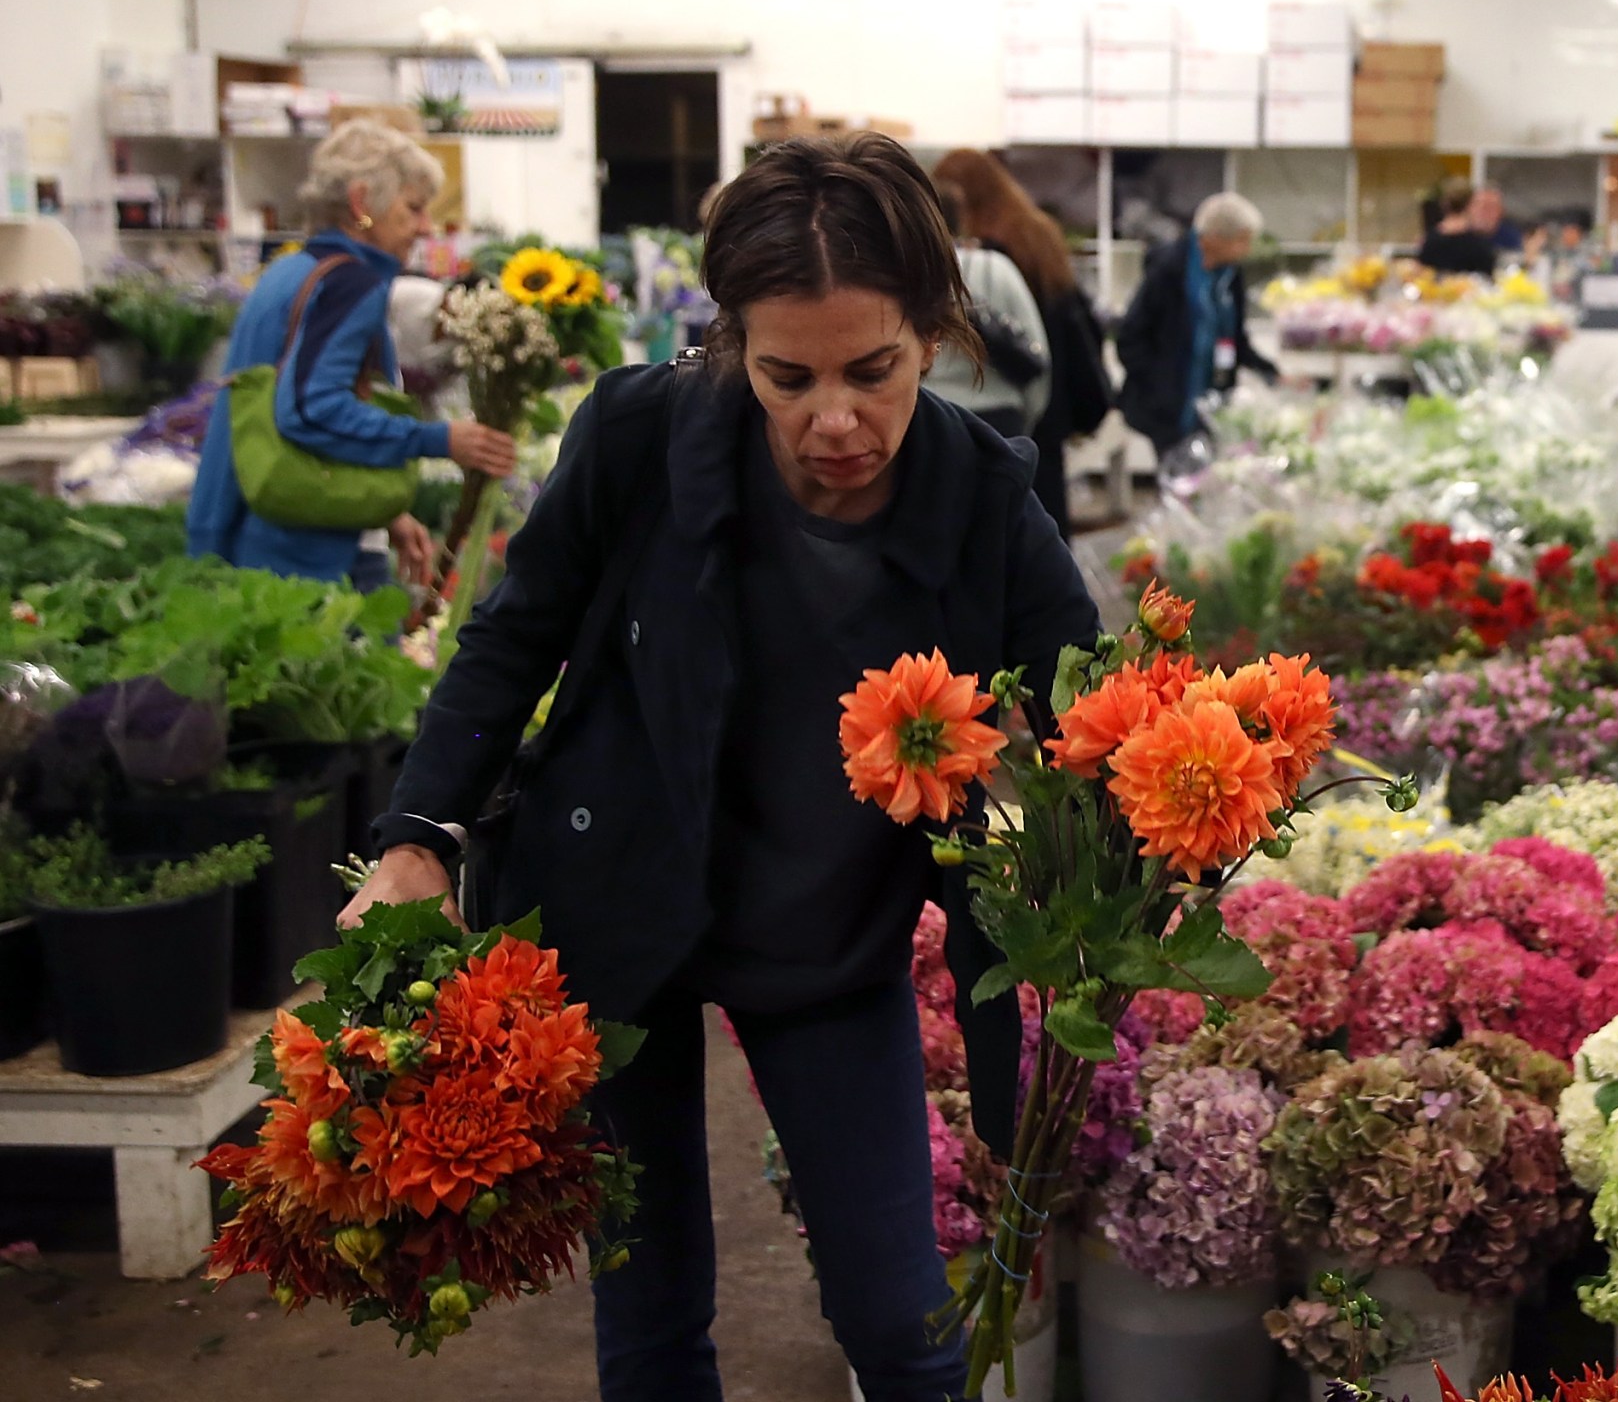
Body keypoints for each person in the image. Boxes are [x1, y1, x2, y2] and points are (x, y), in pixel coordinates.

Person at [343, 132, 1101, 1402]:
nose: (834, 420)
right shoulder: (643, 440)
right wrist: (417, 837)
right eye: (785, 377)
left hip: (828, 932)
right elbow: (510, 640)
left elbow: (1090, 709)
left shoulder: (981, 496)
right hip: (615, 900)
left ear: (933, 330)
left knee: (899, 1313)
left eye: (874, 372)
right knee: (648, 1306)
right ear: (727, 342)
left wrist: (1129, 828)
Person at [186, 119, 517, 587]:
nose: (425, 228)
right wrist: (439, 439)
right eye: (414, 208)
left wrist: (387, 515)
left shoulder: (293, 270)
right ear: (362, 203)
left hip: (243, 530)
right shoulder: (351, 284)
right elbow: (309, 409)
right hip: (304, 557)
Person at [931, 149, 1114, 534]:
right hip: (1041, 409)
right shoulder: (1036, 233)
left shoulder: (981, 257)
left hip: (999, 413)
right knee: (1038, 537)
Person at [1115, 191, 1277, 455]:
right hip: (1169, 408)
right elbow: (1131, 338)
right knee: (1177, 478)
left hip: (1211, 404)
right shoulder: (1169, 271)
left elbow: (1235, 338)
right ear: (1214, 238)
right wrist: (1159, 388)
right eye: (1242, 241)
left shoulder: (1231, 276)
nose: (1246, 250)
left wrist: (1270, 371)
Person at [922, 179, 1050, 441]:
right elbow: (1037, 352)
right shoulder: (996, 268)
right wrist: (1028, 417)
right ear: (962, 219)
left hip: (929, 417)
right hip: (1000, 417)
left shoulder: (908, 269)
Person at [1417, 179, 1498, 277]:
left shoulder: (1430, 240)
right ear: (1470, 204)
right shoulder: (1479, 245)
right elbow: (1487, 279)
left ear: (1444, 203)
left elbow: (1422, 273)